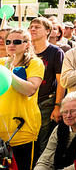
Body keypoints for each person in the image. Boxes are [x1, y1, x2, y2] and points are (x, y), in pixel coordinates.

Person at [0, 29, 44, 170]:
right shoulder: (0, 62)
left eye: (17, 41)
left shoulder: (35, 63)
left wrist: (9, 73)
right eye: (8, 42)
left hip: (22, 129)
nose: (11, 45)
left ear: (27, 44)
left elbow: (30, 89)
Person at [29, 16, 66, 158]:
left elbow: (61, 81)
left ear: (47, 31)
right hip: (27, 103)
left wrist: (57, 106)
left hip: (45, 103)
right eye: (31, 26)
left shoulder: (56, 52)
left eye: (37, 27)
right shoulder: (27, 51)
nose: (32, 29)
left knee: (43, 145)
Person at [34, 91, 76, 170]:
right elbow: (45, 160)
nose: (68, 116)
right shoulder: (59, 129)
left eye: (73, 111)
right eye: (65, 112)